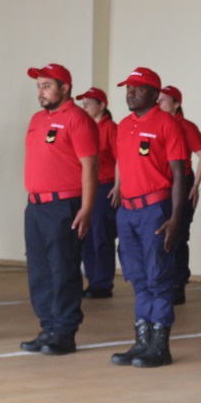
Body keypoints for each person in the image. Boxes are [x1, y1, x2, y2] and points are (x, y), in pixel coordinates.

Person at [110, 67, 188, 368]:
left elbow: (179, 174)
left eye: (138, 89)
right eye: (128, 89)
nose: (130, 93)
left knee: (158, 277)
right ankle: (142, 341)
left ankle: (160, 344)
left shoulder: (167, 124)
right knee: (138, 278)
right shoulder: (124, 125)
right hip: (127, 211)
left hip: (154, 208)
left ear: (155, 94)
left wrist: (174, 218)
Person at [22, 63, 98, 356]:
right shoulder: (37, 119)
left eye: (46, 85)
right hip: (36, 206)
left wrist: (88, 207)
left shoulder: (77, 119)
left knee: (63, 268)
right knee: (39, 270)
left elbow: (90, 167)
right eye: (38, 86)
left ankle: (64, 331)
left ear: (65, 88)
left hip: (64, 204)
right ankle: (48, 327)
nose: (40, 91)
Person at [159, 85, 201, 306]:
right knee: (161, 233)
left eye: (164, 100)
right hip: (161, 185)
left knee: (178, 235)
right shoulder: (157, 124)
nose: (159, 104)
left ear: (176, 104)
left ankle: (178, 284)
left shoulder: (185, 126)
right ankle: (164, 281)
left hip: (182, 182)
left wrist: (195, 185)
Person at [75, 87, 118, 300]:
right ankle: (92, 278)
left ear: (102, 105)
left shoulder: (109, 128)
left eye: (89, 103)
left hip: (104, 186)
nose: (85, 107)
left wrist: (118, 187)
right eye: (83, 104)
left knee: (102, 235)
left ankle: (102, 282)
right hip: (86, 186)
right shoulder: (84, 128)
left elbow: (121, 160)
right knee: (86, 234)